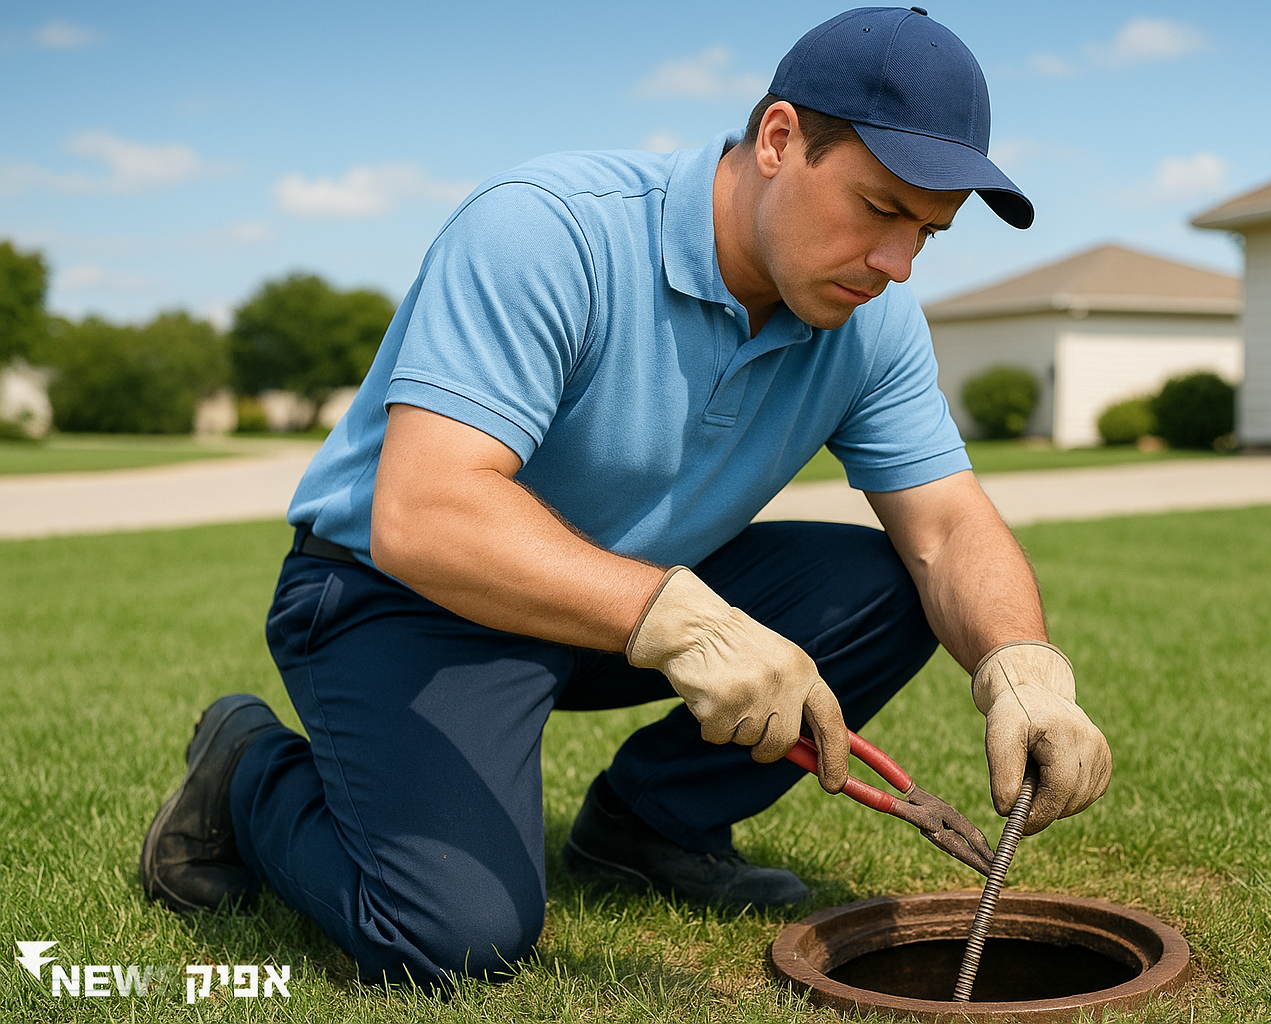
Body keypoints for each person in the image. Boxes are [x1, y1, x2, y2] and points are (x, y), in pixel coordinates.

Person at [140, 6, 1112, 987]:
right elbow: (423, 514)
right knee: (454, 936)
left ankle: (649, 826)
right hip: (398, 600)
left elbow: (947, 525)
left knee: (896, 581)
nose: (897, 264)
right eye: (879, 208)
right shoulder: (549, 229)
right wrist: (684, 624)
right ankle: (245, 772)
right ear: (778, 139)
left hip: (622, 603)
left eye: (927, 234)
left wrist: (1018, 663)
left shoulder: (873, 321)